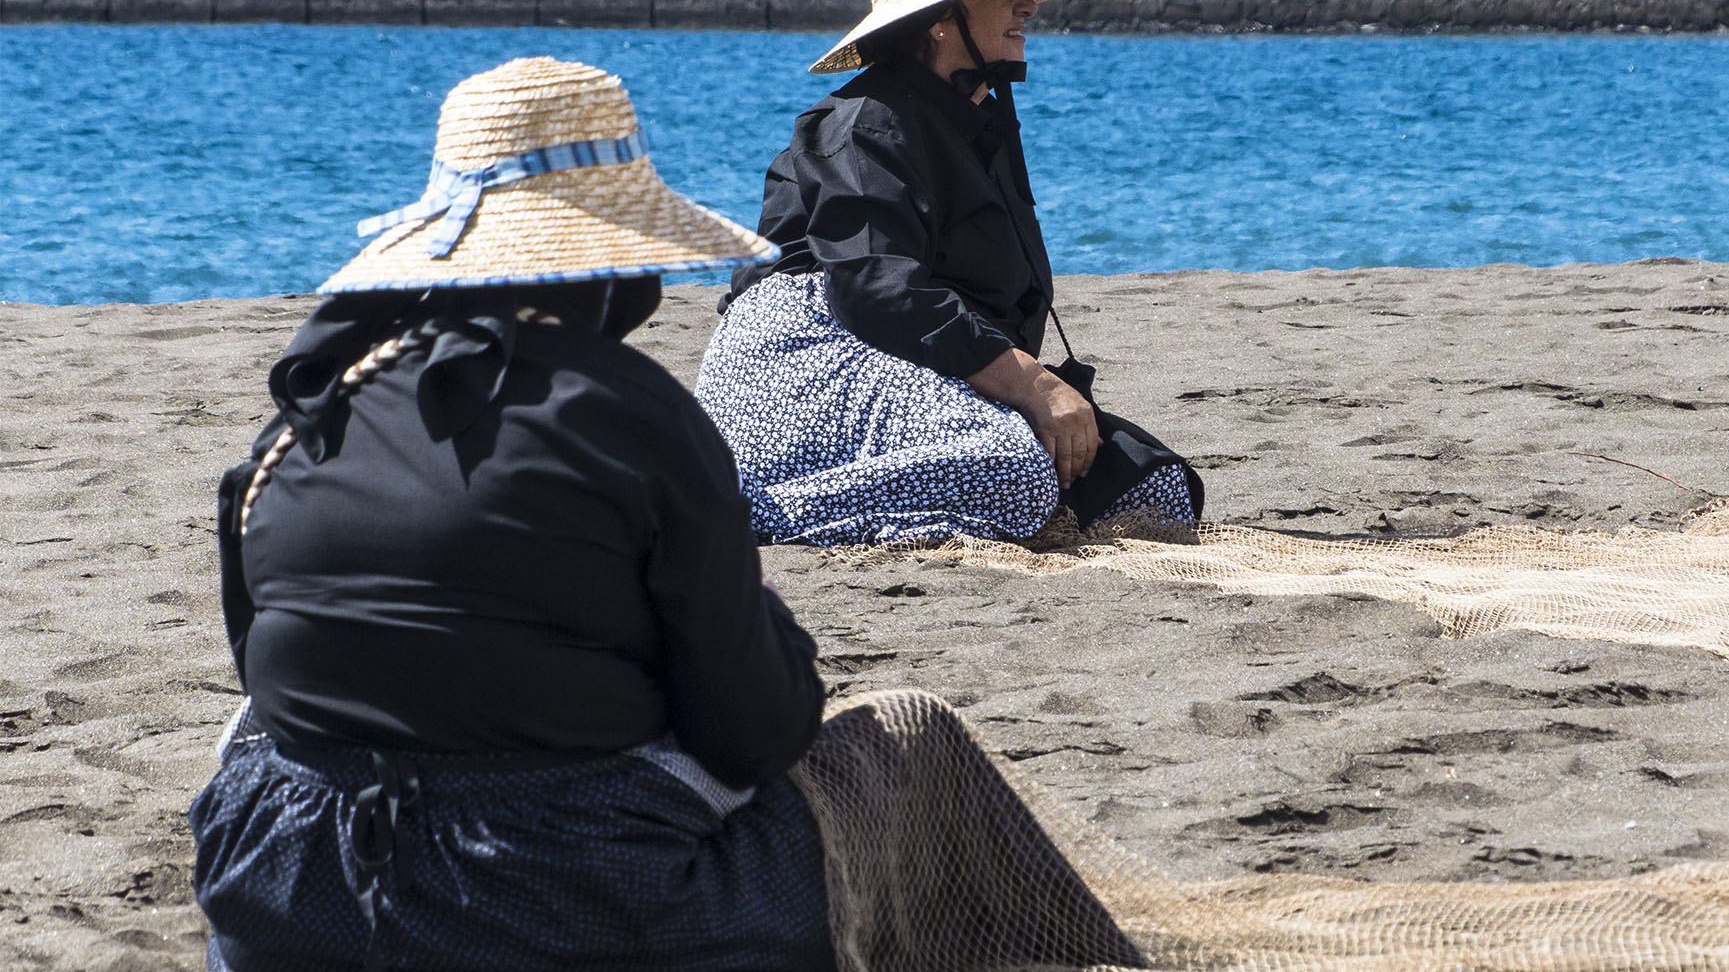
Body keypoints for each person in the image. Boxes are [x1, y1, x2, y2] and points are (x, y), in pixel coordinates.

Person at [190, 56, 1142, 972]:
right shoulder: (632, 418)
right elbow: (758, 730)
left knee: (258, 732)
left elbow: (261, 670)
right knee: (906, 740)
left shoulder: (297, 429)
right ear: (612, 268)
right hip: (571, 905)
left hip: (291, 898)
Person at [696, 0, 1204, 546]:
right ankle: (741, 515)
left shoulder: (977, 117)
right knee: (1016, 474)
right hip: (809, 362)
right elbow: (874, 287)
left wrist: (1039, 393)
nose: (1029, 4)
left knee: (1157, 487)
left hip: (923, 358)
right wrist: (1033, 385)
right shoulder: (863, 124)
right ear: (939, 20)